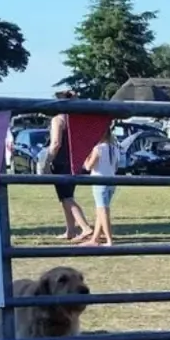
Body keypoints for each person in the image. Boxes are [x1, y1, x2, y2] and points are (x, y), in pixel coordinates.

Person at [44, 92, 92, 241]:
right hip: (74, 160)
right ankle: (70, 230)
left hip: (60, 161)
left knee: (67, 198)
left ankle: (85, 227)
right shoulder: (76, 120)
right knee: (65, 197)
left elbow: (56, 143)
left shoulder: (58, 120)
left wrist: (46, 161)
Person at [80, 134, 125, 246]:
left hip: (99, 181)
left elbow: (88, 167)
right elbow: (115, 167)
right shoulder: (114, 148)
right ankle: (95, 239)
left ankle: (109, 240)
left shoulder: (98, 148)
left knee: (103, 211)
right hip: (111, 181)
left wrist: (85, 157)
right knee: (100, 211)